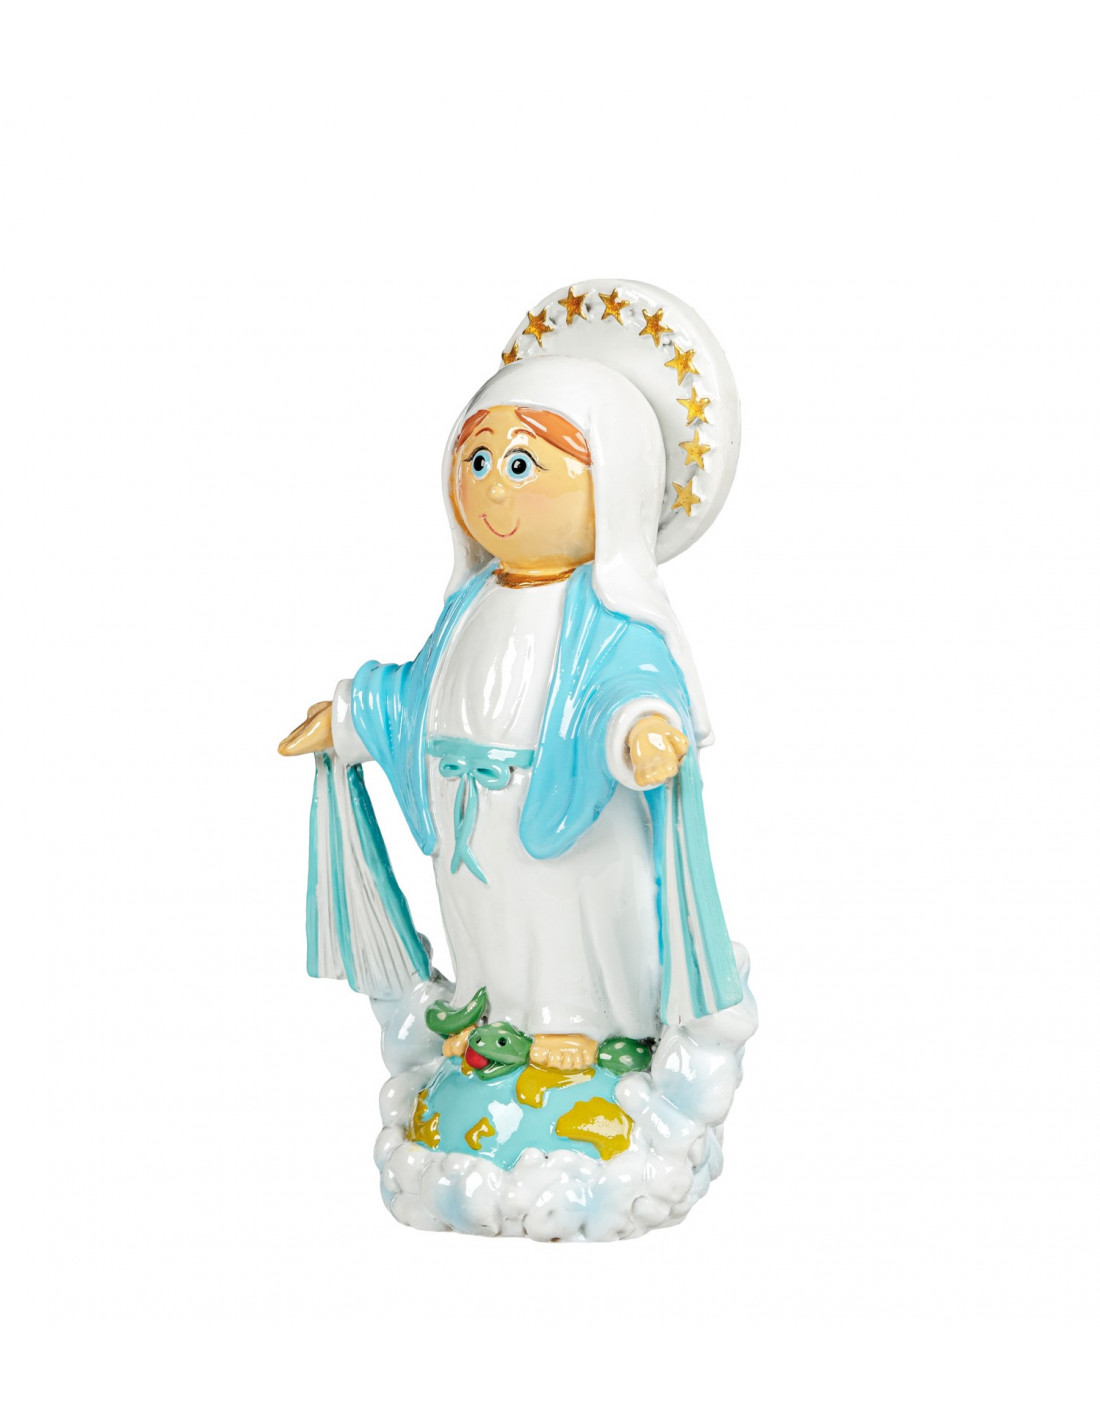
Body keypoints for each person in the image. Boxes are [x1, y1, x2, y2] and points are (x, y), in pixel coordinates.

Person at [280, 355, 743, 1072]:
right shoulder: (472, 602)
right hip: (469, 819)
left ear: (612, 483)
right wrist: (351, 715)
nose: (493, 485)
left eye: (522, 464)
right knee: (488, 921)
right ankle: (493, 1010)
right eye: (478, 459)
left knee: (563, 917)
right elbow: (421, 692)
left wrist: (642, 729)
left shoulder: (606, 615)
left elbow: (632, 685)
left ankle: (581, 1023)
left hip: (564, 815)